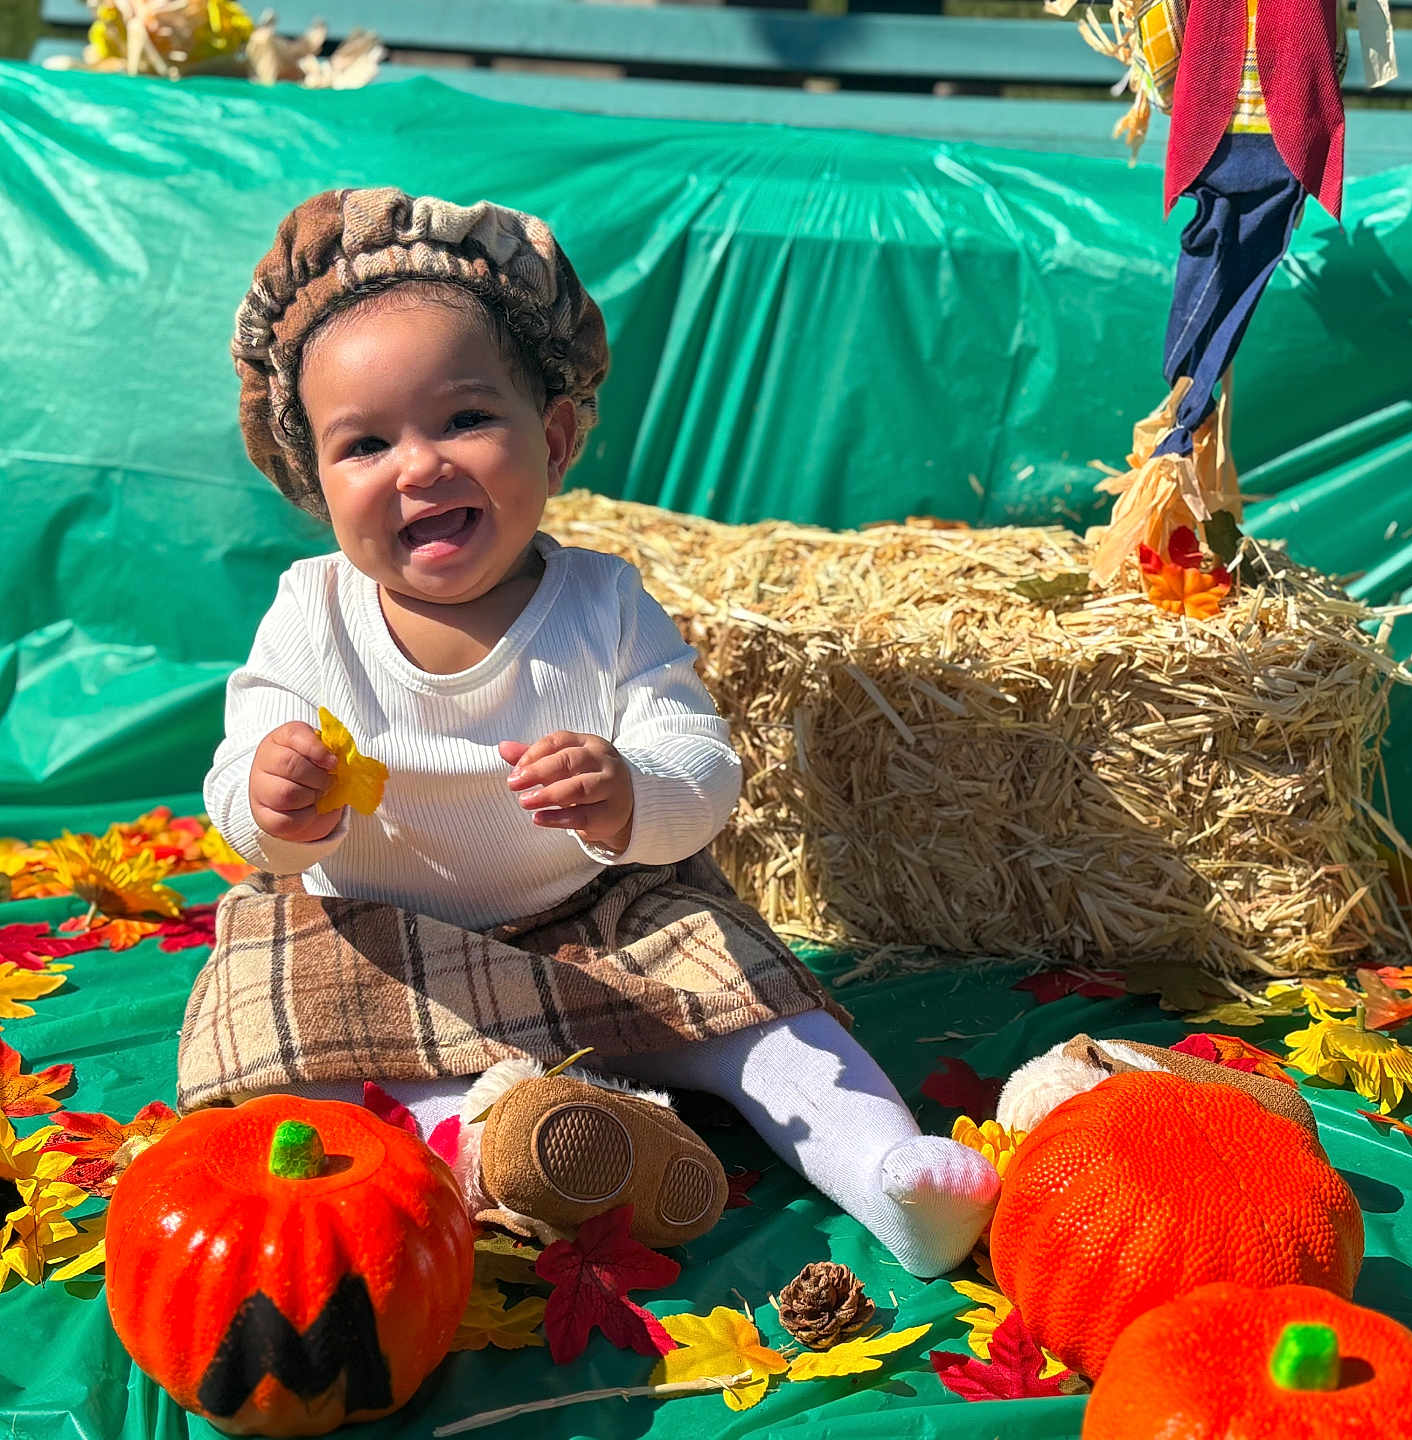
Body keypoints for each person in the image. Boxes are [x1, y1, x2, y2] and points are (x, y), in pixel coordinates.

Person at [185, 186, 998, 1278]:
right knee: (282, 1038)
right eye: (365, 444)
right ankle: (505, 1134)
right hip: (387, 944)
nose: (420, 465)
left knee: (763, 1008)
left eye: (466, 419)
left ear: (556, 437)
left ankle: (886, 1171)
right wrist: (275, 803)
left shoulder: (604, 606)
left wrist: (631, 794)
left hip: (596, 919)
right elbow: (243, 784)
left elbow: (701, 768)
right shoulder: (310, 613)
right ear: (314, 486)